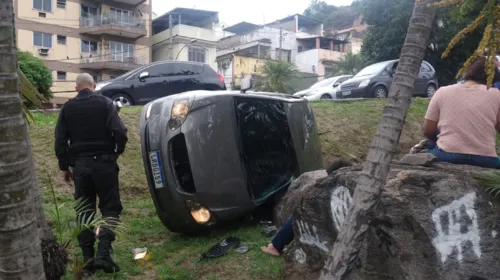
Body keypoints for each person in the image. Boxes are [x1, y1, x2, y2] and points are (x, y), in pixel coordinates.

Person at [55, 73, 128, 275]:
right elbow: (121, 132)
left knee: (84, 211)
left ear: (77, 88)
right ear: (94, 86)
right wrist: (116, 152)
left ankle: (88, 260)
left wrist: (65, 167)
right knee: (111, 209)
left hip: (81, 167)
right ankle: (104, 254)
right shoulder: (105, 103)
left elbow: (60, 140)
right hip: (105, 164)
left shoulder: (67, 108)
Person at [423, 56, 500, 168]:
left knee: (427, 134)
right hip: (486, 158)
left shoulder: (442, 91)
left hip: (446, 154)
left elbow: (428, 130)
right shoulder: (497, 94)